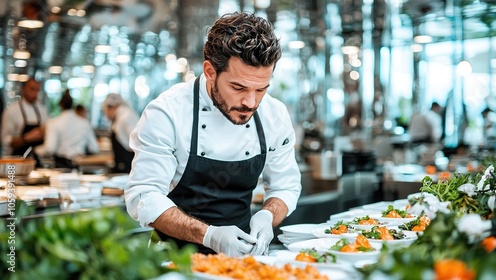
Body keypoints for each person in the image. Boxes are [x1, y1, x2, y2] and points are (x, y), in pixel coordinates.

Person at [124, 12, 301, 257]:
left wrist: (268, 214)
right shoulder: (167, 113)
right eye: (238, 87)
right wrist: (209, 235)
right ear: (210, 71)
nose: (250, 102)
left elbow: (286, 187)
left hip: (243, 260)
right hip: (174, 261)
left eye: (261, 89)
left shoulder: (274, 114)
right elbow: (143, 196)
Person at [34, 90, 99, 169]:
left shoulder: (53, 123)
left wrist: (36, 150)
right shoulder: (84, 122)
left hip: (61, 165)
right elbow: (94, 148)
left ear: (60, 105)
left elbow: (50, 148)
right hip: (79, 165)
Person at [1, 78, 48, 162]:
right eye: (32, 89)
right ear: (23, 89)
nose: (35, 93)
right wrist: (26, 138)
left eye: (37, 90)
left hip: (36, 160)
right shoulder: (12, 111)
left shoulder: (42, 110)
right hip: (16, 160)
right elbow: (5, 140)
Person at [102, 93, 139, 173]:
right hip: (124, 165)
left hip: (129, 165)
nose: (106, 115)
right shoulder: (120, 116)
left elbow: (137, 143)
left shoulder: (126, 117)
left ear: (112, 107)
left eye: (105, 111)